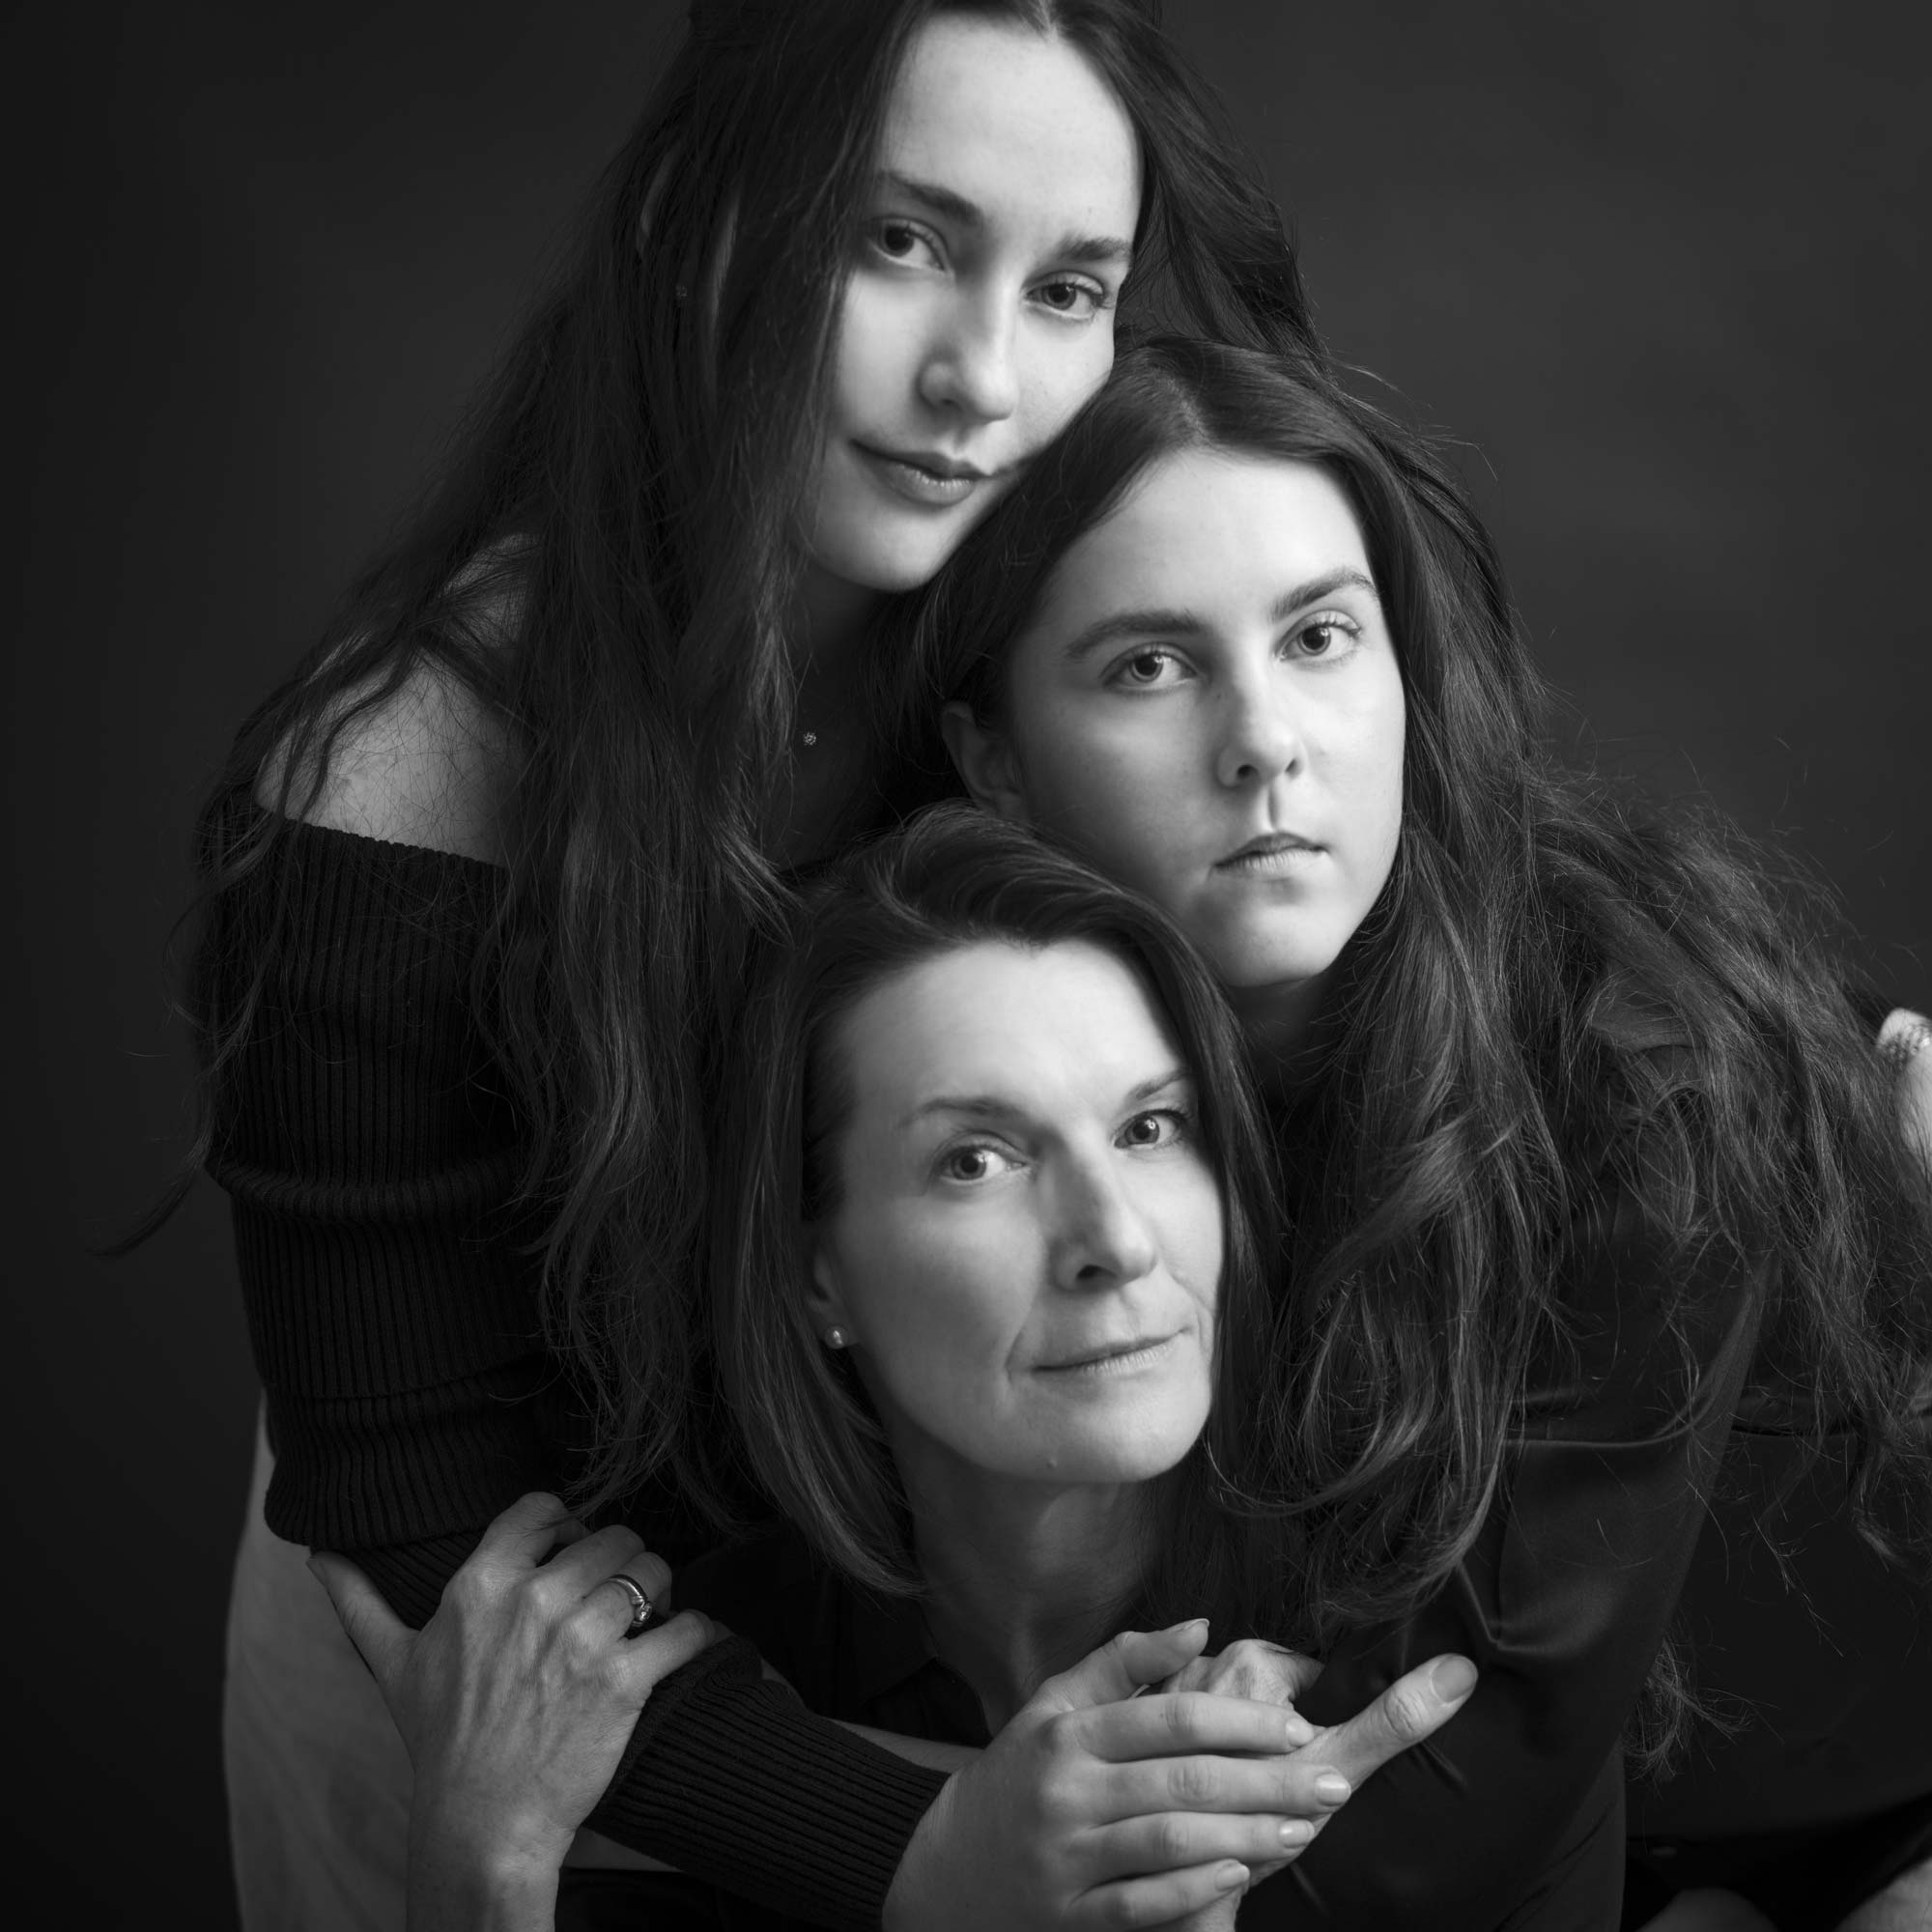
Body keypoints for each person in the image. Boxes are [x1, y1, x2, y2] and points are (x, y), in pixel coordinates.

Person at [185, 3, 1342, 1926]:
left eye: (1068, 288)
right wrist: (913, 1853)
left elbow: (1365, 900)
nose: (980, 374)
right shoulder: (396, 786)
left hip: (902, 1665)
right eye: (896, 242)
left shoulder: (1026, 660)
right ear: (697, 221)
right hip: (500, 1703)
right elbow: (419, 1521)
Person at [902, 337, 1932, 1924]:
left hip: (1850, 1782)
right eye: (1148, 666)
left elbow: (1454, 1776)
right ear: (992, 756)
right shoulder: (974, 1052)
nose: (1266, 740)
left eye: (1319, 635)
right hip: (1609, 1826)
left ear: (1400, 669)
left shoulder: (1638, 1084)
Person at [317, 809, 1483, 1929]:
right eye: (976, 1158)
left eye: (1149, 1128)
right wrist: (484, 1854)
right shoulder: (692, 1699)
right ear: (813, 1271)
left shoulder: (1413, 1621)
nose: (1115, 1241)